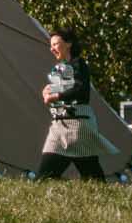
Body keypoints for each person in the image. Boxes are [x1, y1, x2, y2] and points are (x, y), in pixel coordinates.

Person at [34, 26, 106, 181]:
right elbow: (60, 87)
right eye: (51, 45)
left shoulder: (78, 65)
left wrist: (55, 96)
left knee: (92, 176)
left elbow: (80, 89)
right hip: (59, 127)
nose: (52, 48)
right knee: (44, 177)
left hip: (78, 127)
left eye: (55, 44)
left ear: (68, 44)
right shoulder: (60, 69)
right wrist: (47, 90)